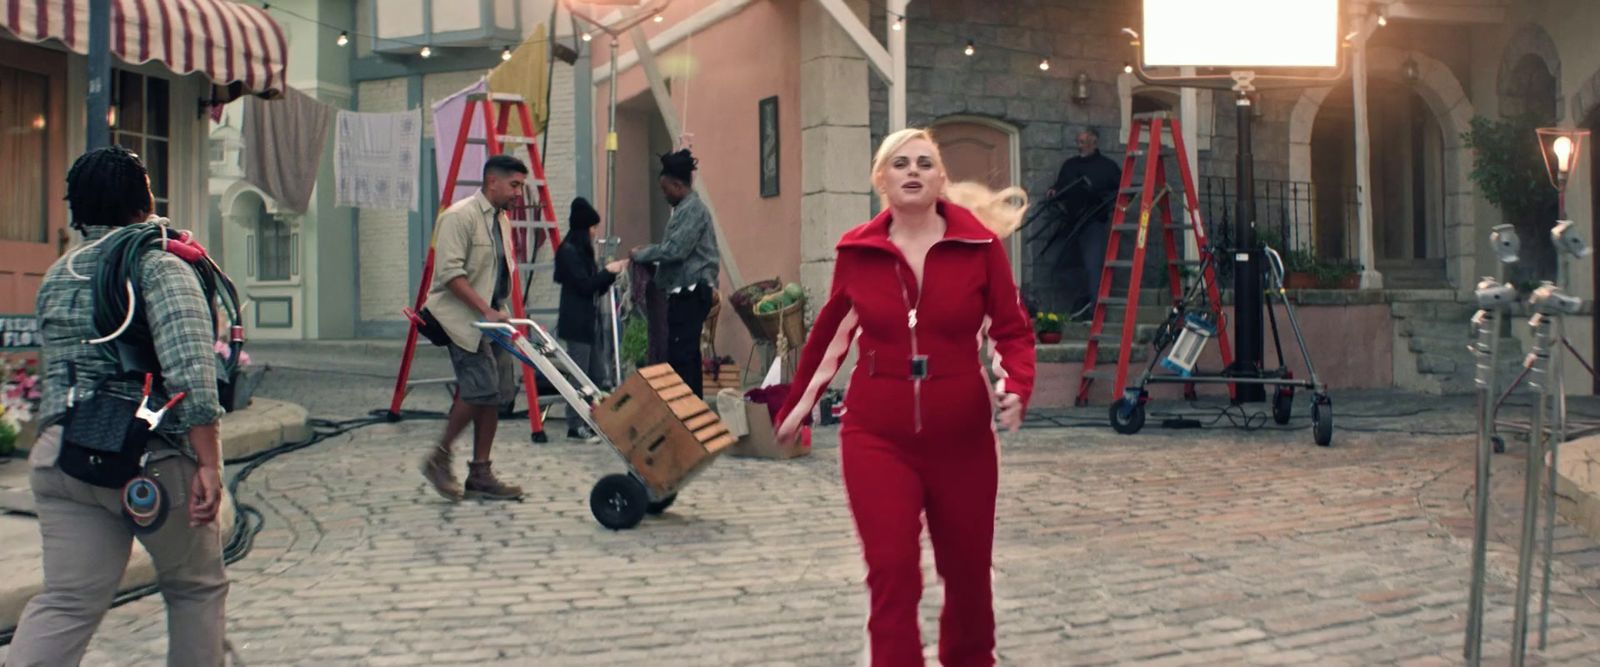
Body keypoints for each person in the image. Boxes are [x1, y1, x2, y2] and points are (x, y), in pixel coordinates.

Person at [773, 128, 1036, 666]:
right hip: (876, 435)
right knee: (891, 570)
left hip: (962, 440)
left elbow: (1011, 329)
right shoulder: (858, 252)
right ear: (881, 181)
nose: (912, 171)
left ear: (940, 179)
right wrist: (797, 406)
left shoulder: (979, 248)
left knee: (966, 574)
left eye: (923, 163)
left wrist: (1014, 387)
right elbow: (829, 337)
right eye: (899, 164)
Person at [9, 146, 230, 666]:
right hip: (146, 458)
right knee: (196, 587)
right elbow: (191, 371)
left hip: (62, 456)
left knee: (67, 601)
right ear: (145, 200)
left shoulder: (59, 274)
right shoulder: (160, 265)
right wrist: (210, 463)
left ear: (76, 210)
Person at [419, 154, 528, 502]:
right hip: (462, 319)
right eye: (514, 185)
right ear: (491, 182)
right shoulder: (459, 217)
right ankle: (439, 456)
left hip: (493, 318)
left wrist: (502, 313)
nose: (518, 193)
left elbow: (497, 275)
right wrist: (485, 310)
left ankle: (480, 473)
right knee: (479, 388)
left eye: (521, 186)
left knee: (496, 394)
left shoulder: (503, 221)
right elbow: (450, 274)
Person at [631, 148, 720, 397]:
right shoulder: (684, 210)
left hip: (691, 291)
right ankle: (690, 408)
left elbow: (675, 250)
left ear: (678, 185)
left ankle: (687, 410)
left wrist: (642, 254)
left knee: (682, 354)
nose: (664, 194)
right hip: (685, 291)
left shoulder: (692, 210)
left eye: (665, 188)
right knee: (685, 354)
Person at [553, 196, 628, 440]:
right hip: (577, 323)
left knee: (596, 374)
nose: (595, 233)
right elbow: (585, 286)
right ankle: (575, 424)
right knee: (579, 375)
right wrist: (608, 272)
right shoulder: (569, 252)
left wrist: (609, 276)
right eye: (592, 228)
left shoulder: (582, 252)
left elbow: (595, 287)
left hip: (589, 320)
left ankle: (594, 418)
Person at [1047, 128, 1121, 321]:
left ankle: (1096, 309)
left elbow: (1121, 192)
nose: (1078, 145)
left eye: (1083, 141)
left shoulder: (1108, 167)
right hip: (1070, 222)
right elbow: (1060, 187)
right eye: (1078, 141)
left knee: (1092, 265)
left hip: (1093, 222)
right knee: (1063, 266)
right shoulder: (1070, 165)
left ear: (1094, 142)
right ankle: (1084, 299)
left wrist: (1107, 203)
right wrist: (1054, 191)